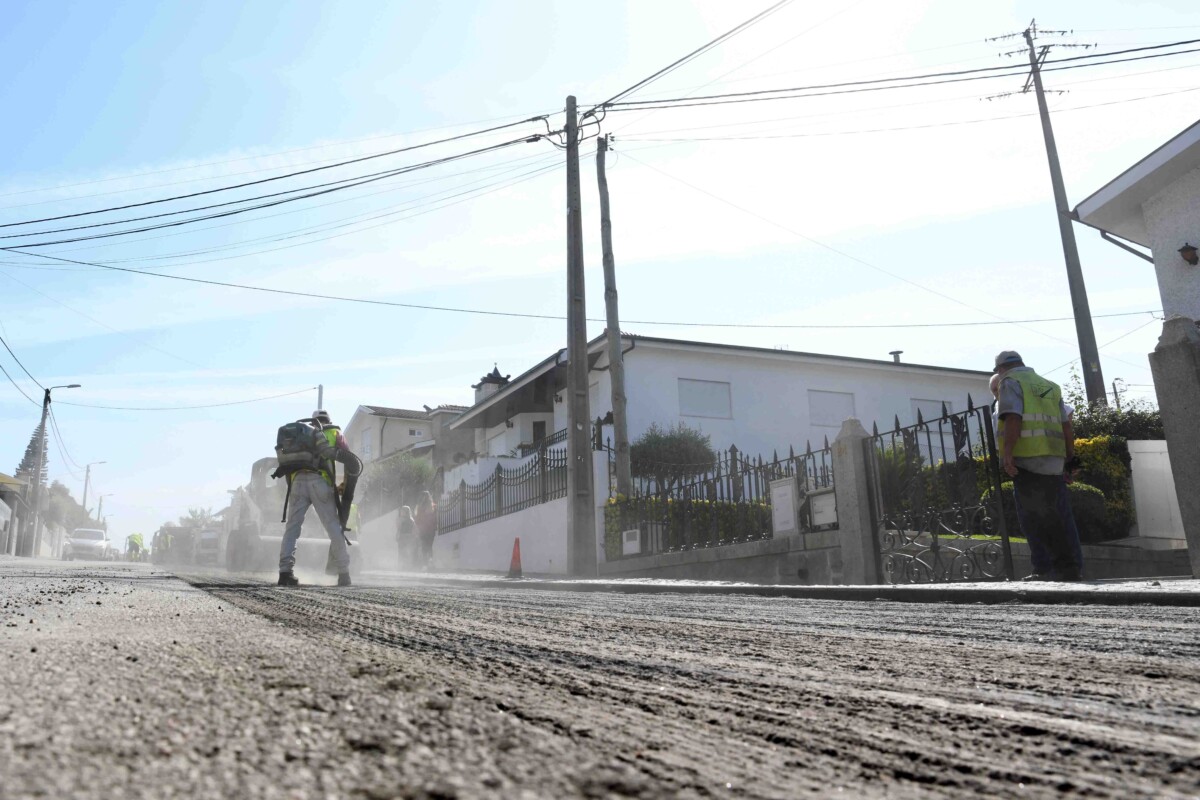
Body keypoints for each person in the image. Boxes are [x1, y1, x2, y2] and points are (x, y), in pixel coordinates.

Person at [993, 351, 1083, 581]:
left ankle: (1047, 569)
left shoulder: (1010, 382)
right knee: (1054, 514)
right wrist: (1070, 457)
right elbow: (1066, 425)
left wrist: (1008, 454)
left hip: (1028, 457)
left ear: (1001, 369)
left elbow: (1013, 418)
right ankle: (1067, 567)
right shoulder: (1050, 385)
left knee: (1035, 517)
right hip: (1053, 458)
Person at [277, 410, 357, 587]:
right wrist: (344, 484)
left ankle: (284, 572)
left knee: (292, 528)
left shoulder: (299, 434)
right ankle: (344, 573)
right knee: (333, 528)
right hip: (320, 482)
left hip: (298, 482)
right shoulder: (334, 432)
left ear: (313, 421)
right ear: (328, 420)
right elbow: (348, 458)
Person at [414, 491, 437, 570]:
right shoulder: (432, 506)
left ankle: (425, 564)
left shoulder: (419, 507)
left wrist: (417, 528)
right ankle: (430, 561)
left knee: (424, 546)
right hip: (430, 530)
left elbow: (417, 520)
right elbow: (435, 519)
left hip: (423, 530)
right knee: (429, 546)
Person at [396, 505, 416, 570]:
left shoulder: (405, 520)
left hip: (406, 537)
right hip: (404, 537)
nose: (401, 512)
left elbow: (399, 529)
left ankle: (405, 566)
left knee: (404, 552)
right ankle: (403, 566)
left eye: (403, 511)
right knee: (403, 552)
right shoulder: (411, 520)